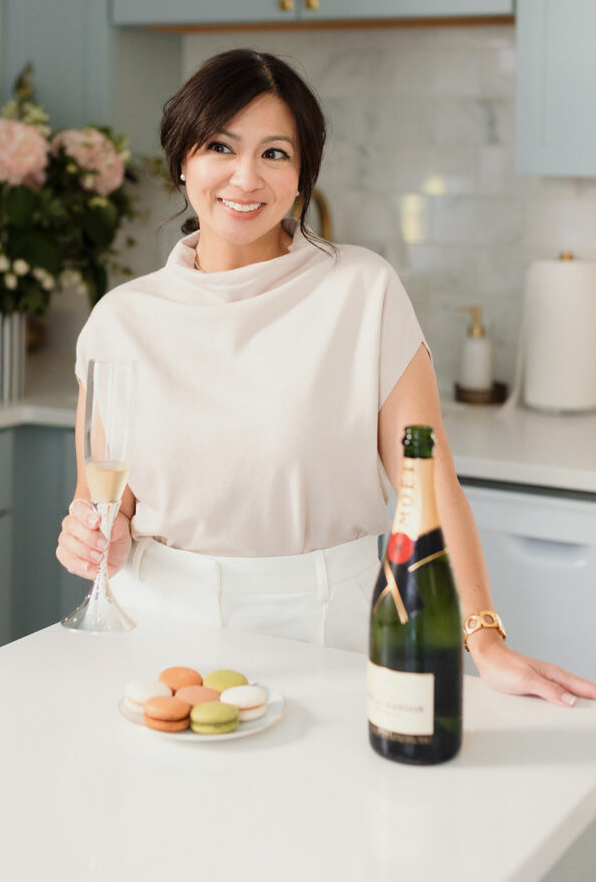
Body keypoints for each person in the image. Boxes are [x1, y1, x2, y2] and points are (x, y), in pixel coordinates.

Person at [56, 49, 595, 708]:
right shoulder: (123, 319)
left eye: (275, 153)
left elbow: (425, 484)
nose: (245, 177)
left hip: (321, 632)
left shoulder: (361, 290)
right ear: (183, 161)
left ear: (303, 172)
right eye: (220, 146)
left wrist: (483, 641)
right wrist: (91, 540)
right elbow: (105, 509)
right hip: (154, 635)